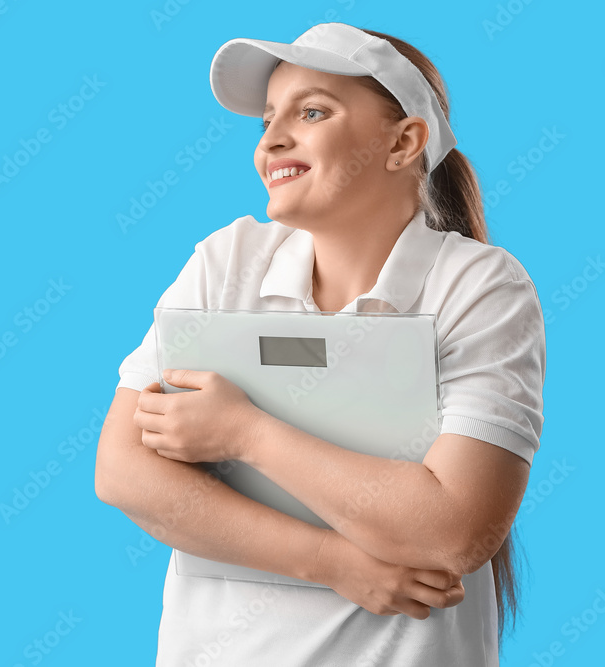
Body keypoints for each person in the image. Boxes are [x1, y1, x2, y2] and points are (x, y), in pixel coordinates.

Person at [94, 22, 545, 666]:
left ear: (404, 141)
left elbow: (454, 528)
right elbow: (123, 471)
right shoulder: (227, 261)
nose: (273, 138)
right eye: (267, 119)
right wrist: (334, 563)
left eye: (312, 111)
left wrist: (245, 433)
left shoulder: (477, 285)